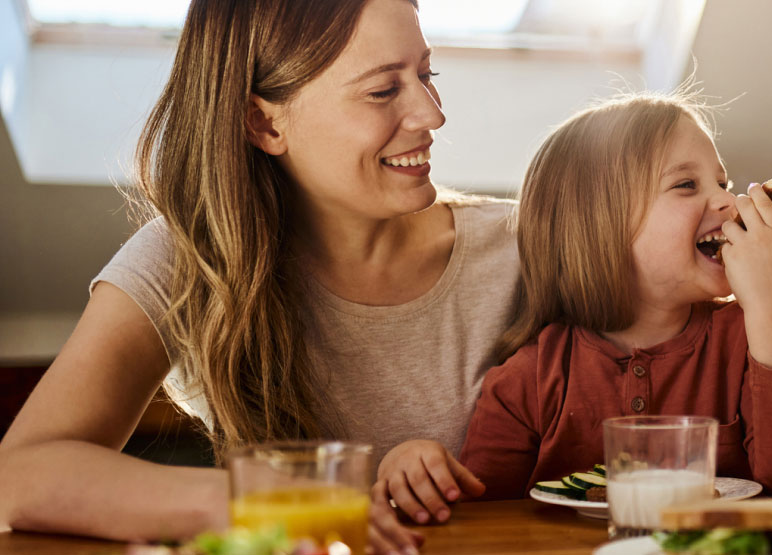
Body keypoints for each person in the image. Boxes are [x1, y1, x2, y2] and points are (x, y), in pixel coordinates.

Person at [0, 0, 513, 551]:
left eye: (426, 74)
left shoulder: (524, 247)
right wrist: (258, 501)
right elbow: (20, 476)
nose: (432, 115)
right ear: (263, 122)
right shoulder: (192, 257)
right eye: (383, 91)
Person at [456, 93, 772, 500]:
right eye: (686, 185)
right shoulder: (531, 378)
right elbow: (480, 517)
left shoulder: (748, 339)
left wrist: (771, 307)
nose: (729, 201)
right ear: (598, 226)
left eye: (722, 183)